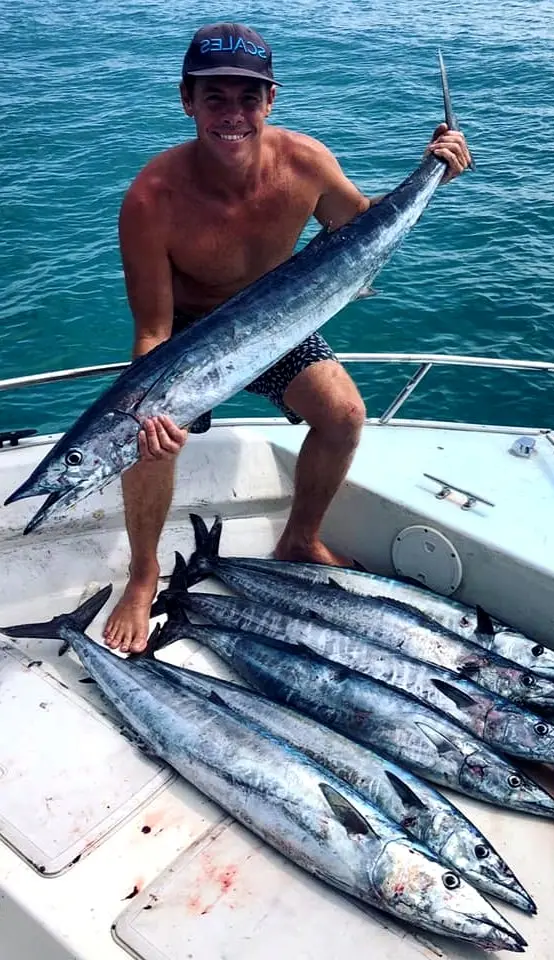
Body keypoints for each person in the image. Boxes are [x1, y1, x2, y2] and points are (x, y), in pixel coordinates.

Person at [102, 22, 471, 655]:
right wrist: (148, 411)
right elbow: (154, 330)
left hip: (279, 322)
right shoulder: (151, 199)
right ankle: (142, 576)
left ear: (270, 101)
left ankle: (299, 539)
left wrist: (433, 174)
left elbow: (359, 230)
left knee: (344, 416)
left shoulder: (305, 162)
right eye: (215, 97)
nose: (233, 114)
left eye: (249, 98)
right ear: (186, 99)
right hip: (190, 343)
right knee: (147, 444)